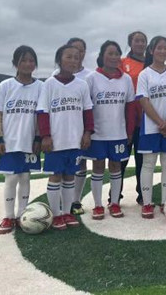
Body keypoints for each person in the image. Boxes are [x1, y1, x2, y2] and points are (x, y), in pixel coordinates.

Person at [37, 44, 94, 230]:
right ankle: (56, 214)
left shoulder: (82, 85)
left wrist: (87, 133)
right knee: (55, 176)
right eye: (68, 57)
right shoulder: (49, 84)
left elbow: (87, 111)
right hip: (56, 140)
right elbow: (43, 112)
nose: (73, 61)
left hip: (75, 140)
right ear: (59, 59)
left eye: (76, 57)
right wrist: (45, 136)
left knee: (70, 176)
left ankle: (67, 212)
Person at [0, 46, 43, 234]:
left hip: (30, 141)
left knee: (25, 176)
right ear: (15, 63)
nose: (28, 64)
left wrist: (39, 138)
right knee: (11, 177)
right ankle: (8, 216)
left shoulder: (40, 86)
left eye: (31, 60)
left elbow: (41, 115)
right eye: (23, 60)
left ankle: (22, 214)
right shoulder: (6, 85)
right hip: (10, 141)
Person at [84, 41, 137, 219]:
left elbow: (130, 107)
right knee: (98, 167)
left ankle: (114, 203)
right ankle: (98, 205)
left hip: (118, 133)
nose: (114, 57)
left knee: (116, 167)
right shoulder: (92, 78)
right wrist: (87, 131)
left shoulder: (126, 79)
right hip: (97, 133)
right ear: (102, 56)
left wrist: (129, 131)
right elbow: (86, 108)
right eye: (110, 53)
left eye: (117, 54)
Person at [136, 36, 166, 218]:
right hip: (150, 127)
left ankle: (165, 201)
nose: (162, 51)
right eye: (159, 48)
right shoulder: (144, 74)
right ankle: (147, 203)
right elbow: (143, 100)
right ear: (151, 50)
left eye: (165, 48)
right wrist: (161, 122)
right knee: (148, 164)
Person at [51, 38, 93, 217]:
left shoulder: (88, 77)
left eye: (81, 51)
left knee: (79, 165)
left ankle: (75, 201)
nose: (77, 56)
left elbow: (88, 107)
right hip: (59, 134)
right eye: (72, 52)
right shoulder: (53, 78)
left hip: (78, 132)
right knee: (58, 171)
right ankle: (60, 208)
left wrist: (88, 131)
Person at [119, 31, 148, 205]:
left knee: (142, 161)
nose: (140, 43)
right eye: (137, 40)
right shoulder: (122, 63)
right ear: (130, 43)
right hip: (126, 119)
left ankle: (143, 194)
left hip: (146, 120)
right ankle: (115, 196)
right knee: (121, 160)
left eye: (143, 40)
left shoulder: (150, 63)